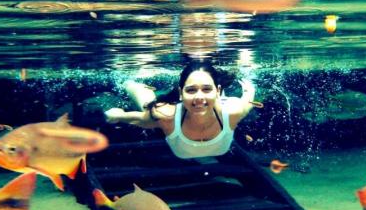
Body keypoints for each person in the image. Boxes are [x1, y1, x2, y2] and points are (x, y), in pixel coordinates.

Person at [104, 61, 256, 159]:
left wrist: (250, 89)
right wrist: (119, 115)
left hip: (216, 104)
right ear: (180, 93)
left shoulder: (232, 111)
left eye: (207, 89)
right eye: (190, 90)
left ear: (218, 91)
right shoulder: (166, 115)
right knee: (149, 105)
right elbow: (141, 119)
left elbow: (247, 103)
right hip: (178, 113)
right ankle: (129, 83)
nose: (199, 97)